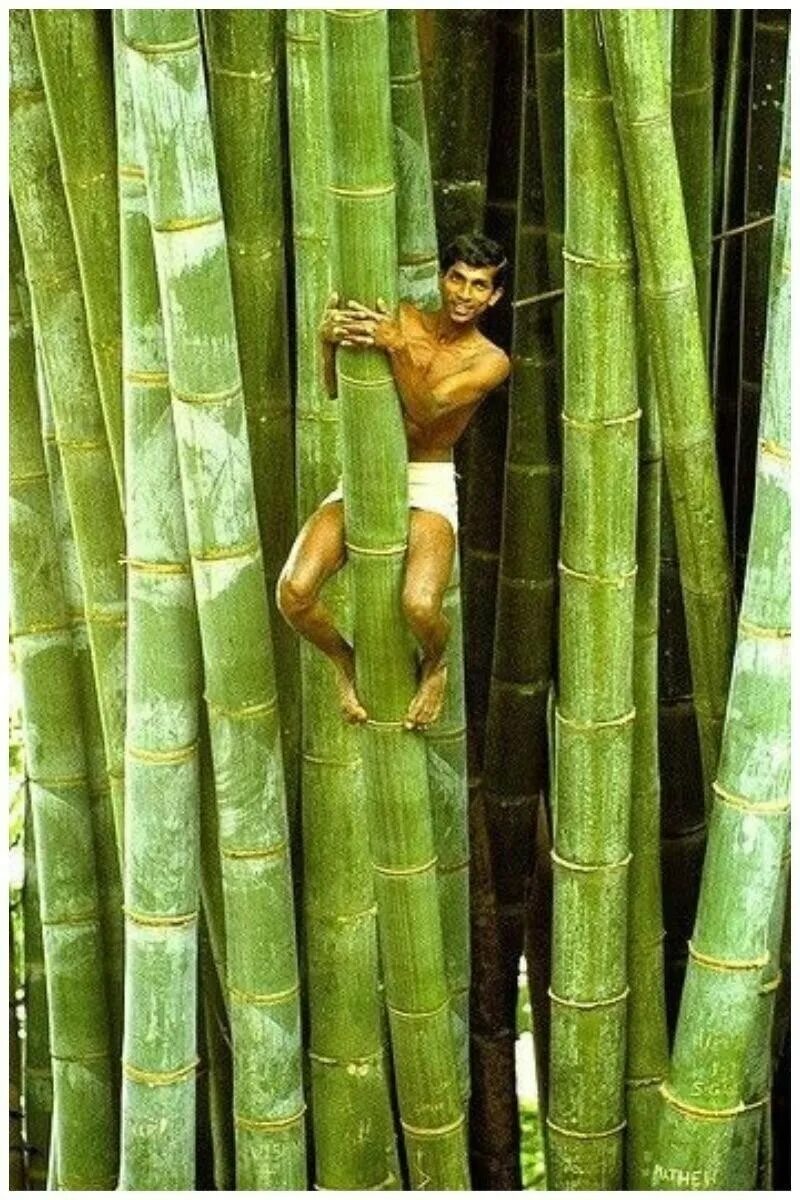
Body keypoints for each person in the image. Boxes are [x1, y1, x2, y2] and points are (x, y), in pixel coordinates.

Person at [277, 233, 511, 730]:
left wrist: (397, 348)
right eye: (457, 279)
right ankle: (345, 661)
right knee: (293, 593)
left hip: (427, 482)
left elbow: (427, 414)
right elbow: (336, 389)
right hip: (365, 471)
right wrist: (327, 343)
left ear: (494, 296)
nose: (465, 295)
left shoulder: (489, 360)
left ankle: (435, 663)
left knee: (421, 606)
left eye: (479, 286)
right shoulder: (403, 318)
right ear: (442, 278)